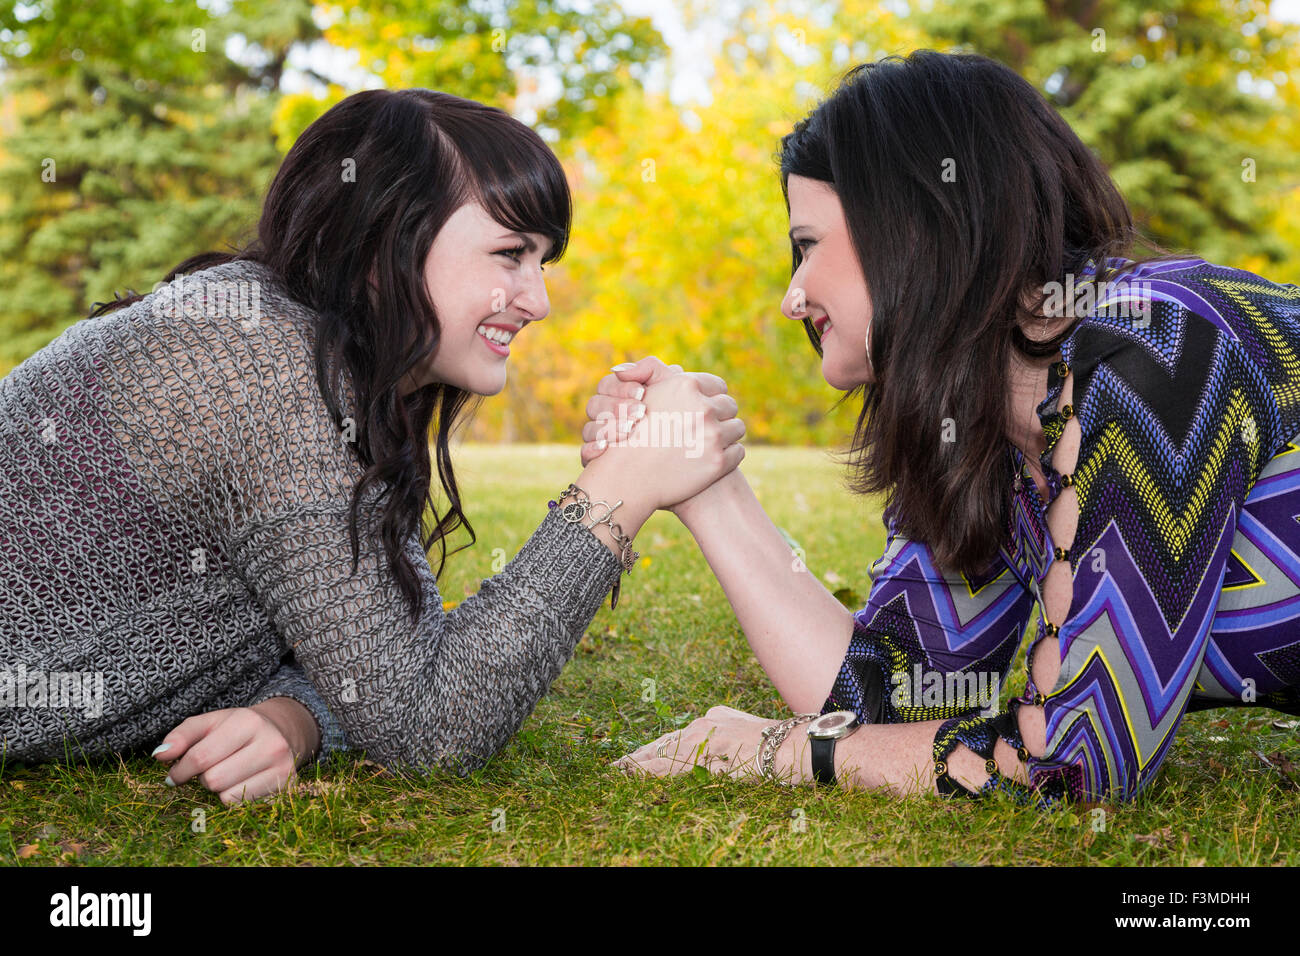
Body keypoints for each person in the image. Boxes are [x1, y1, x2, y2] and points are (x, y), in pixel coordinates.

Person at [0, 88, 745, 805]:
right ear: (384, 242)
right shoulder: (268, 370)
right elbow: (429, 725)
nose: (538, 300)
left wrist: (293, 718)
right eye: (510, 253)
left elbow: (365, 649)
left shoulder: (298, 344)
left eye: (541, 261)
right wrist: (623, 485)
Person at [595, 50, 1300, 806]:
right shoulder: (983, 438)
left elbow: (1079, 764)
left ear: (916, 222)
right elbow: (881, 699)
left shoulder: (1160, 342)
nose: (792, 298)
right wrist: (706, 485)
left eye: (807, 246)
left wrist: (773, 750)